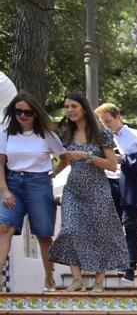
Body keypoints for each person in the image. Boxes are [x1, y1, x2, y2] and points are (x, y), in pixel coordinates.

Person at [48, 93, 129, 291]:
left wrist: (86, 156)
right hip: (73, 191)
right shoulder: (67, 134)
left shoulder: (102, 134)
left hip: (98, 190)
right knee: (69, 231)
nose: (69, 110)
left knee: (99, 234)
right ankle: (77, 280)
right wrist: (53, 173)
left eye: (74, 106)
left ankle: (99, 282)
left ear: (84, 108)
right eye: (67, 106)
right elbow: (65, 159)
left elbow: (112, 165)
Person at [0, 92, 66, 292]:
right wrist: (5, 190)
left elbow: (64, 157)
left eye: (27, 112)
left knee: (44, 234)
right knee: (4, 227)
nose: (22, 115)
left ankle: (49, 276)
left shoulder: (46, 135)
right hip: (12, 183)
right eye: (18, 111)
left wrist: (54, 174)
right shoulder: (6, 133)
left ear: (35, 113)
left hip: (39, 183)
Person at [96, 103, 137, 282]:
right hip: (108, 182)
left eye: (108, 121)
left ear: (118, 117)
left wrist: (124, 159)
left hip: (130, 185)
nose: (106, 125)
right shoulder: (101, 138)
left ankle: (130, 267)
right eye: (103, 122)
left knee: (130, 225)